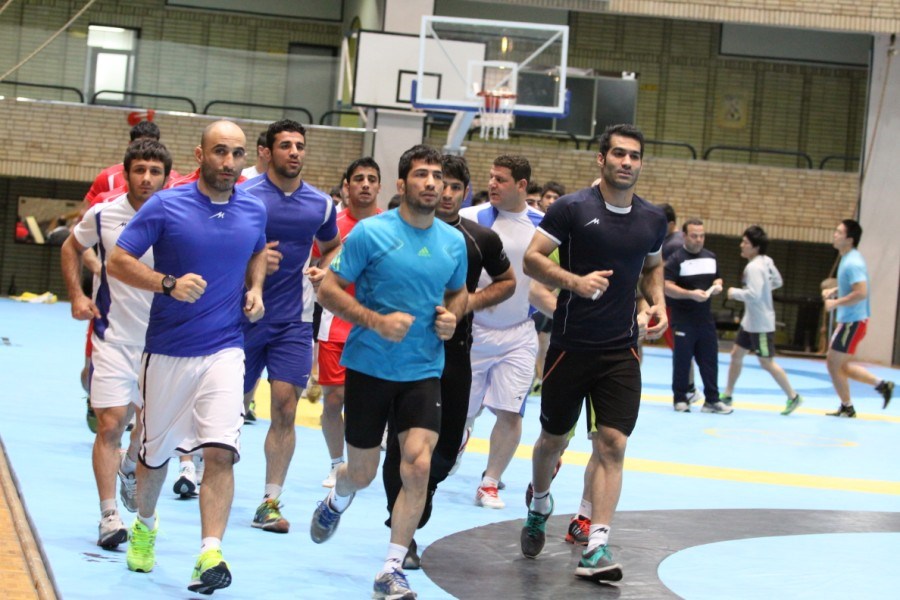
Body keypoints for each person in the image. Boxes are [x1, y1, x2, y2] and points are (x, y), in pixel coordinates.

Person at [107, 119, 267, 595]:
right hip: (168, 351)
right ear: (200, 155)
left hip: (226, 349)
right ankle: (145, 524)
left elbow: (258, 251)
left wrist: (256, 288)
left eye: (237, 153)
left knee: (221, 452)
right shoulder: (166, 204)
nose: (229, 162)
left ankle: (209, 553)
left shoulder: (253, 208)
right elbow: (118, 260)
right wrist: (167, 284)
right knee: (154, 458)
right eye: (219, 152)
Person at [309, 144, 468, 600]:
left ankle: (391, 568)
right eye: (421, 175)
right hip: (370, 367)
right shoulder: (370, 233)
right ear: (402, 184)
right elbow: (329, 290)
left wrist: (452, 316)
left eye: (437, 176)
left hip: (423, 370)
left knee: (418, 465)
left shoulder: (453, 242)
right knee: (362, 472)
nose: (432, 183)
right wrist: (376, 322)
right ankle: (338, 496)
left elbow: (457, 293)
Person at [520, 123, 667, 583]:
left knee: (613, 443)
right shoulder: (571, 208)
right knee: (552, 441)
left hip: (621, 350)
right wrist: (575, 283)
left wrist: (658, 304)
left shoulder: (652, 218)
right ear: (601, 159)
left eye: (634, 156)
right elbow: (532, 259)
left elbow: (653, 266)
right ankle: (539, 504)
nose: (627, 162)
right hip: (570, 347)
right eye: (619, 154)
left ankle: (596, 546)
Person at [381, 153, 515, 567]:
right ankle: (401, 531)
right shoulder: (398, 229)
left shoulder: (479, 239)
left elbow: (508, 282)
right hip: (404, 355)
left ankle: (424, 492)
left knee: (445, 448)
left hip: (455, 355)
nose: (447, 193)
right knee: (403, 446)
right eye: (443, 184)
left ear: (465, 192)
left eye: (456, 187)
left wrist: (468, 303)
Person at [60, 139, 172, 549]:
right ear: (125, 174)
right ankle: (109, 515)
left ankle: (130, 465)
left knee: (150, 433)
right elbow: (71, 246)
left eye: (155, 171)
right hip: (113, 338)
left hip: (163, 344)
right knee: (110, 424)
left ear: (166, 178)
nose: (146, 178)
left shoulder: (178, 216)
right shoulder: (104, 213)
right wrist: (76, 295)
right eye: (139, 170)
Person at [238, 119, 340, 533]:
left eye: (300, 145)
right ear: (269, 152)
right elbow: (219, 245)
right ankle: (200, 468)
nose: (294, 152)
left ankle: (270, 501)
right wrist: (253, 260)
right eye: (286, 145)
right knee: (229, 408)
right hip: (241, 318)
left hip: (293, 322)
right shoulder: (243, 195)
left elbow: (332, 245)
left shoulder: (320, 204)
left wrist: (323, 269)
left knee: (284, 407)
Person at [458, 154, 543, 510]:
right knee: (463, 413)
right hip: (473, 331)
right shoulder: (469, 218)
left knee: (511, 413)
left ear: (522, 185)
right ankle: (454, 445)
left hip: (519, 333)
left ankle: (489, 482)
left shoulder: (543, 226)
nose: (492, 184)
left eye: (501, 179)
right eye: (491, 177)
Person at [316, 157, 383, 489]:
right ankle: (336, 463)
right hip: (336, 321)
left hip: (377, 325)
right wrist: (317, 273)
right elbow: (316, 264)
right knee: (333, 400)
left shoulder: (392, 225)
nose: (365, 184)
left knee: (371, 401)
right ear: (347, 186)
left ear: (380, 186)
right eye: (359, 179)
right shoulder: (333, 226)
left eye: (372, 179)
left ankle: (364, 461)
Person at [721, 226, 803, 415]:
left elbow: (754, 295)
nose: (741, 245)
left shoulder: (753, 267)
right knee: (736, 355)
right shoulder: (766, 261)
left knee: (766, 362)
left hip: (761, 325)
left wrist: (734, 293)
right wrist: (765, 288)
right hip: (749, 322)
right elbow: (778, 282)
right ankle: (728, 394)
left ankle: (793, 396)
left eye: (745, 243)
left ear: (755, 247)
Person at [822, 219, 894, 417]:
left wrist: (835, 303)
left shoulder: (852, 262)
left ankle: (847, 406)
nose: (835, 234)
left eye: (839, 232)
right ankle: (881, 385)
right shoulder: (848, 258)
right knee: (840, 365)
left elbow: (861, 292)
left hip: (852, 322)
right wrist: (835, 290)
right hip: (851, 321)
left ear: (849, 239)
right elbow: (853, 285)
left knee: (833, 364)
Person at [664, 218, 730, 414]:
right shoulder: (676, 259)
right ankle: (680, 398)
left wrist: (718, 285)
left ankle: (712, 400)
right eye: (694, 236)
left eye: (702, 236)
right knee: (682, 361)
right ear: (684, 236)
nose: (699, 239)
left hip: (705, 320)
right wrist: (690, 294)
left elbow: (718, 277)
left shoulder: (711, 257)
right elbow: (667, 287)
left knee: (710, 361)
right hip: (683, 320)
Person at [658, 203, 700, 401]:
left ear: (671, 224)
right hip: (668, 303)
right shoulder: (668, 241)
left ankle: (689, 388)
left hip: (670, 304)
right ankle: (689, 387)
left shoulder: (673, 244)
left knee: (680, 348)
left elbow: (664, 274)